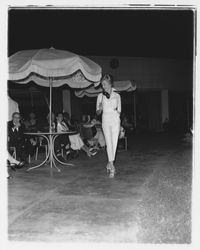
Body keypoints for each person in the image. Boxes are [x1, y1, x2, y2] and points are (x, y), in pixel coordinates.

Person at [96, 74, 121, 178]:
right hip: (105, 119)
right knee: (109, 142)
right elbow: (97, 112)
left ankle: (110, 163)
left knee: (115, 142)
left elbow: (119, 110)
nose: (103, 87)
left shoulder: (117, 95)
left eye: (105, 84)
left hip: (115, 119)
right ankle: (111, 165)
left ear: (110, 84)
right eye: (102, 85)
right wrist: (100, 109)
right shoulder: (100, 96)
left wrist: (117, 116)